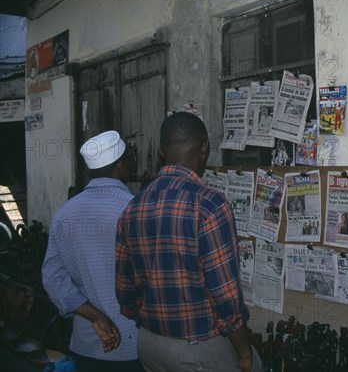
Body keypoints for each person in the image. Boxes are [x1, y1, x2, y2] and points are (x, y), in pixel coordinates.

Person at [115, 112, 262, 372]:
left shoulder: (132, 207)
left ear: (161, 150)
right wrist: (244, 352)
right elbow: (224, 296)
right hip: (199, 349)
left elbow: (125, 290)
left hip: (149, 344)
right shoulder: (210, 205)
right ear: (204, 148)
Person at [42, 130, 142, 372]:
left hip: (87, 342)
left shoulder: (63, 215)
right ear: (121, 166)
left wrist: (96, 317)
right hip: (135, 345)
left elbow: (53, 278)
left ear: (89, 171)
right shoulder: (136, 211)